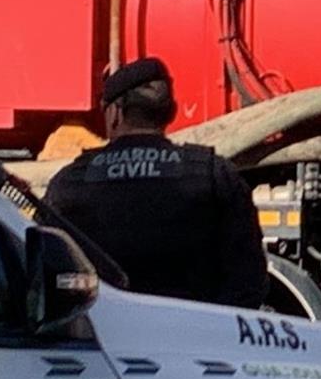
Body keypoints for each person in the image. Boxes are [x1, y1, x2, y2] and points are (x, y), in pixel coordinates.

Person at [47, 57, 267, 308]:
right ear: (171, 112)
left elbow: (50, 277)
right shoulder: (214, 175)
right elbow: (250, 280)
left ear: (114, 113)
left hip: (106, 337)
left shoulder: (70, 182)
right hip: (191, 338)